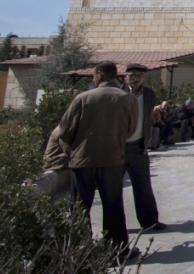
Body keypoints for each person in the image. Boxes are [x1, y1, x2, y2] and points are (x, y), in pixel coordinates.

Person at [58, 61, 138, 252]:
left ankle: (78, 251)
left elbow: (65, 130)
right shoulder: (128, 99)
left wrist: (73, 151)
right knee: (113, 206)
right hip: (112, 159)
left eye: (94, 75)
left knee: (79, 208)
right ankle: (116, 250)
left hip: (83, 161)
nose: (93, 78)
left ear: (100, 74)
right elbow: (131, 129)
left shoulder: (83, 98)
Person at [122, 63, 167, 231]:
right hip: (118, 147)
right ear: (125, 76)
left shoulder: (148, 94)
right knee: (113, 189)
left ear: (144, 78)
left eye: (139, 76)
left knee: (144, 187)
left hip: (138, 146)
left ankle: (149, 221)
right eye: (132, 75)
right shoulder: (118, 93)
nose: (135, 79)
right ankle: (118, 227)